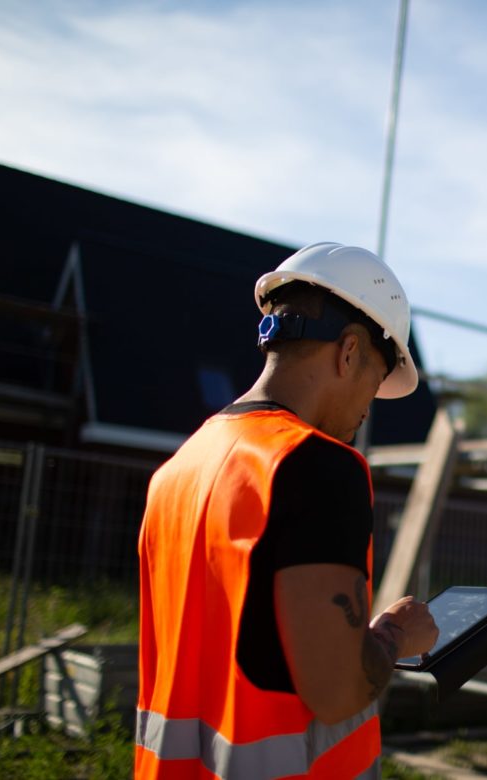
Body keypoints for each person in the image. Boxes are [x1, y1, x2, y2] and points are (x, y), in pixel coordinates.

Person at [136, 242, 439, 779]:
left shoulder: (180, 467)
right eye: (374, 380)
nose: (369, 408)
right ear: (349, 352)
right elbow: (339, 691)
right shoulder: (318, 466)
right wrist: (396, 636)